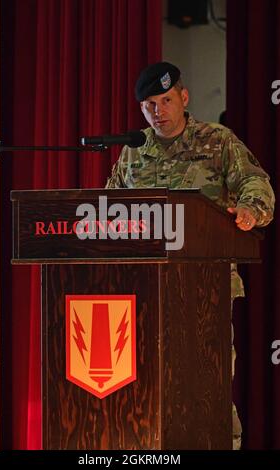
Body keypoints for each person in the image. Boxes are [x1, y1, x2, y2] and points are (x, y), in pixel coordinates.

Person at [106, 62, 275, 449]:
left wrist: (250, 210)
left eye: (166, 100)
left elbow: (255, 182)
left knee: (205, 382)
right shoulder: (134, 152)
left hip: (204, 291)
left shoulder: (217, 141)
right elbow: (108, 206)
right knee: (144, 387)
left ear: (184, 97)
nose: (159, 112)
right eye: (150, 104)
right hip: (141, 291)